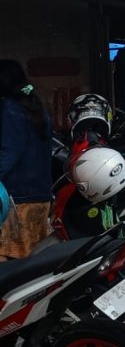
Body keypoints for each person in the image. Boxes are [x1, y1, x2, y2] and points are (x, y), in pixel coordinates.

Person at [0, 61, 53, 258]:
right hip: (40, 197)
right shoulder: (35, 106)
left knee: (9, 260)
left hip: (17, 201)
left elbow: (9, 152)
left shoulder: (9, 108)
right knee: (33, 259)